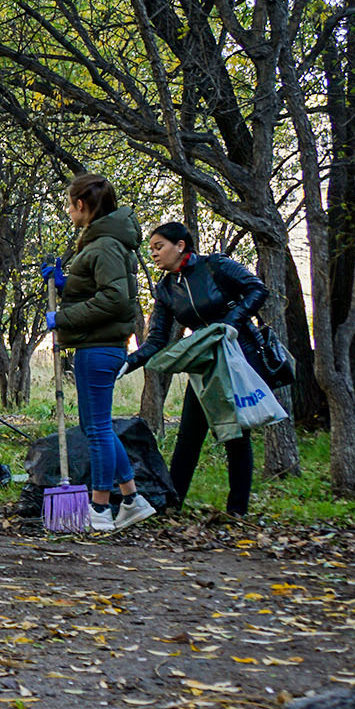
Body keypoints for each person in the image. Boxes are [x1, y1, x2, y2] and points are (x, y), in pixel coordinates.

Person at [122, 221, 267, 516]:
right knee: (189, 434)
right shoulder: (165, 289)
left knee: (236, 436)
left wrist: (231, 322)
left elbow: (257, 289)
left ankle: (237, 512)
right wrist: (127, 362)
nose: (154, 254)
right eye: (151, 249)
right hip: (204, 363)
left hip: (239, 355)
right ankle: (172, 506)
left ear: (180, 245)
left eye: (159, 247)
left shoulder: (216, 266)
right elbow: (157, 340)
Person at [45, 173, 154, 533]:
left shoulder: (105, 243)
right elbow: (96, 286)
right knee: (98, 427)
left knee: (97, 430)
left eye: (69, 204)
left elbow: (113, 299)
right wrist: (65, 283)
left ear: (81, 205)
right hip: (98, 344)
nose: (68, 211)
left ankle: (100, 508)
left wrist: (61, 317)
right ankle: (133, 500)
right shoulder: (101, 242)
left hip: (100, 346)